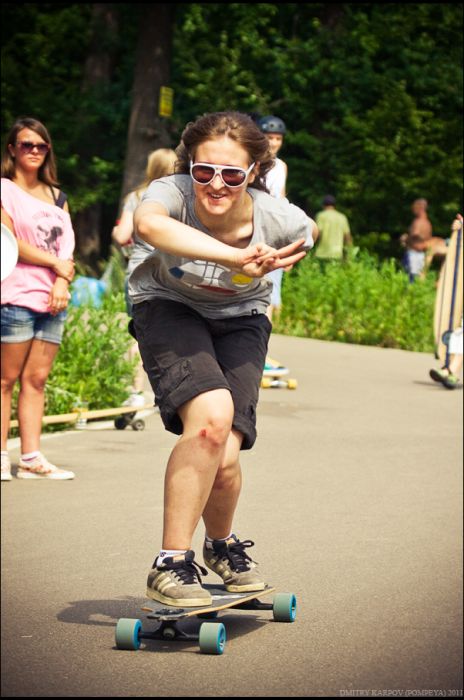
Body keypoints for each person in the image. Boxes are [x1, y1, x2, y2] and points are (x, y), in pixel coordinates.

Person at [129, 110, 316, 607]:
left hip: (241, 317)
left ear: (254, 173)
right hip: (167, 305)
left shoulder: (275, 215)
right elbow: (146, 224)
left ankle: (221, 546)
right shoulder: (171, 194)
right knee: (210, 423)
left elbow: (307, 231)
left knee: (226, 453)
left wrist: (282, 256)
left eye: (232, 174)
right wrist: (234, 257)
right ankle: (170, 562)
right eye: (204, 171)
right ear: (189, 167)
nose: (216, 184)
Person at [1, 117, 76, 481]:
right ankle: (0, 456)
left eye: (40, 146)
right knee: (4, 380)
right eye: (26, 145)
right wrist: (57, 265)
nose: (33, 151)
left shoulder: (57, 195)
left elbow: (69, 245)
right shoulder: (4, 189)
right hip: (15, 296)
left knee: (37, 380)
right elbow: (10, 241)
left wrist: (62, 282)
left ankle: (30, 457)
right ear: (12, 149)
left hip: (53, 300)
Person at [111, 148, 177, 406]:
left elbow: (120, 234)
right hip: (173, 269)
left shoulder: (136, 197)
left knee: (138, 330)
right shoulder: (179, 197)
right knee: (175, 328)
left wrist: (125, 237)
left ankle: (134, 390)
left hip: (139, 269)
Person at [257, 115, 288, 325]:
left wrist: (287, 240)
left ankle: (263, 341)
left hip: (272, 230)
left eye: (278, 138)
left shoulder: (281, 166)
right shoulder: (253, 162)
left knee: (271, 286)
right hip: (252, 226)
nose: (274, 143)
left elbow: (282, 201)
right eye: (269, 137)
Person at [314, 194, 352, 261]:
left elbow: (317, 234)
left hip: (322, 254)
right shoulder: (342, 217)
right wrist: (349, 255)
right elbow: (347, 238)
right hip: (338, 255)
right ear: (334, 205)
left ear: (323, 205)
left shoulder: (321, 216)